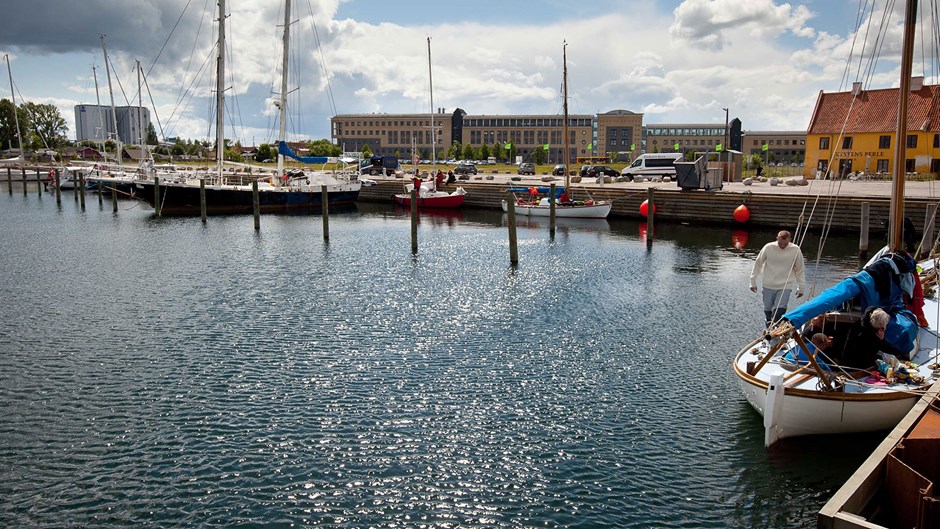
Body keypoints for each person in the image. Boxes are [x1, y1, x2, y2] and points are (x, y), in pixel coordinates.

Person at [750, 230, 806, 326]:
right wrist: (752, 282)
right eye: (780, 243)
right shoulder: (768, 247)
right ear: (777, 238)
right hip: (769, 284)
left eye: (785, 244)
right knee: (768, 309)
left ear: (790, 240)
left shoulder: (795, 249)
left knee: (779, 310)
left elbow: (799, 269)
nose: (782, 246)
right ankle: (768, 323)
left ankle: (775, 327)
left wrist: (801, 287)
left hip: (785, 285)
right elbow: (758, 264)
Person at [841, 307, 906, 367]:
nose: (882, 328)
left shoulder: (879, 327)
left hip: (872, 354)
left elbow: (883, 348)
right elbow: (850, 348)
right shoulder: (858, 330)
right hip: (859, 357)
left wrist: (882, 339)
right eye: (881, 325)